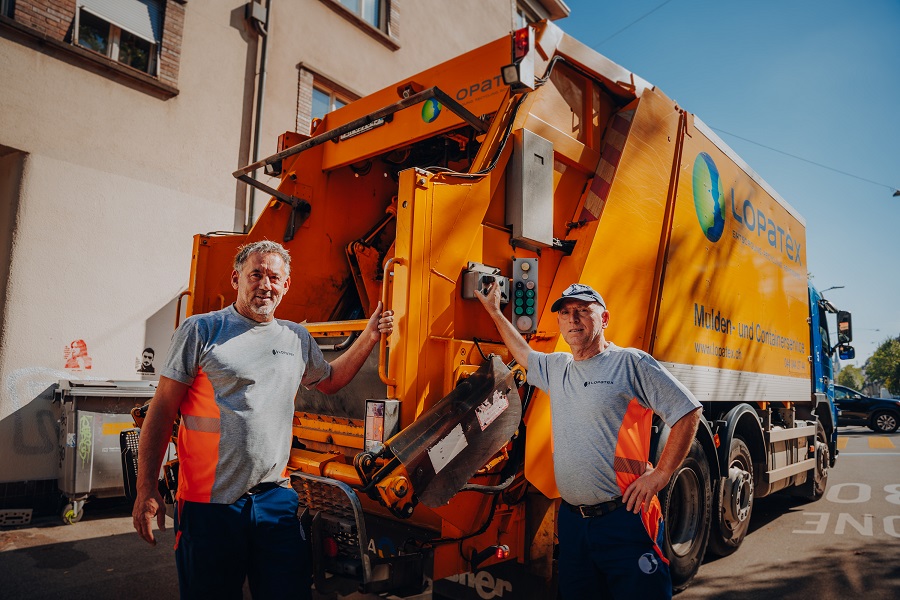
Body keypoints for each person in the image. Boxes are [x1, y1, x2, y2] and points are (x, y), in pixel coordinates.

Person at [132, 240, 394, 599]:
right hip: (210, 506)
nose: (265, 285)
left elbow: (330, 380)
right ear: (236, 278)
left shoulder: (296, 338)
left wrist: (370, 335)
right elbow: (161, 410)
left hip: (275, 501)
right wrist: (146, 489)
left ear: (286, 285)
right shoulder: (201, 331)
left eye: (274, 277)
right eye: (255, 274)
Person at [477, 281, 701, 599]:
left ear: (604, 318)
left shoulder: (630, 363)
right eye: (566, 313)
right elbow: (524, 354)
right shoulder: (558, 367)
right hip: (573, 524)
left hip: (624, 520)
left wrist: (661, 475)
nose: (574, 319)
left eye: (583, 310)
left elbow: (687, 411)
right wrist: (495, 312)